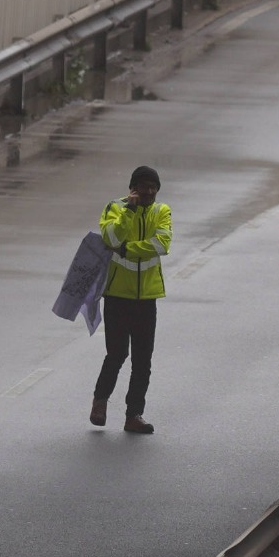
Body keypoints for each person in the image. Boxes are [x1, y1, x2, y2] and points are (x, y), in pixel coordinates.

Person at [90, 166, 172, 434]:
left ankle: (133, 415)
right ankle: (100, 402)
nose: (149, 191)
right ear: (133, 188)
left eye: (153, 187)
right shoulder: (114, 208)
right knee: (116, 354)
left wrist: (127, 249)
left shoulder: (162, 211)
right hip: (117, 296)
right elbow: (110, 236)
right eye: (144, 186)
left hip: (147, 297)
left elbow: (162, 245)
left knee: (143, 360)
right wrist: (129, 211)